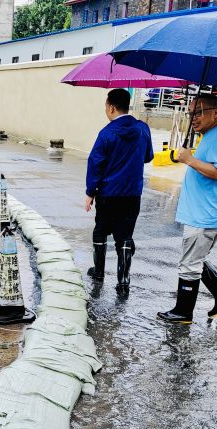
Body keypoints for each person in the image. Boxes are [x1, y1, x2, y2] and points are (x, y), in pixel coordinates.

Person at [157, 94, 217, 324]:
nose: (194, 118)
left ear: (216, 112)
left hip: (204, 215)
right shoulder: (211, 135)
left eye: (199, 112)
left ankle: (183, 312)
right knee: (196, 259)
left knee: (190, 264)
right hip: (204, 212)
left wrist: (190, 160)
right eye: (191, 112)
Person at [85, 88, 154, 294]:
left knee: (101, 230)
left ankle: (98, 272)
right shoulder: (142, 129)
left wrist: (90, 192)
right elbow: (148, 156)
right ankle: (123, 281)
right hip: (132, 193)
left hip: (108, 193)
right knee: (124, 236)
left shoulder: (107, 133)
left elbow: (95, 163)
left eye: (106, 106)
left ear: (112, 107)